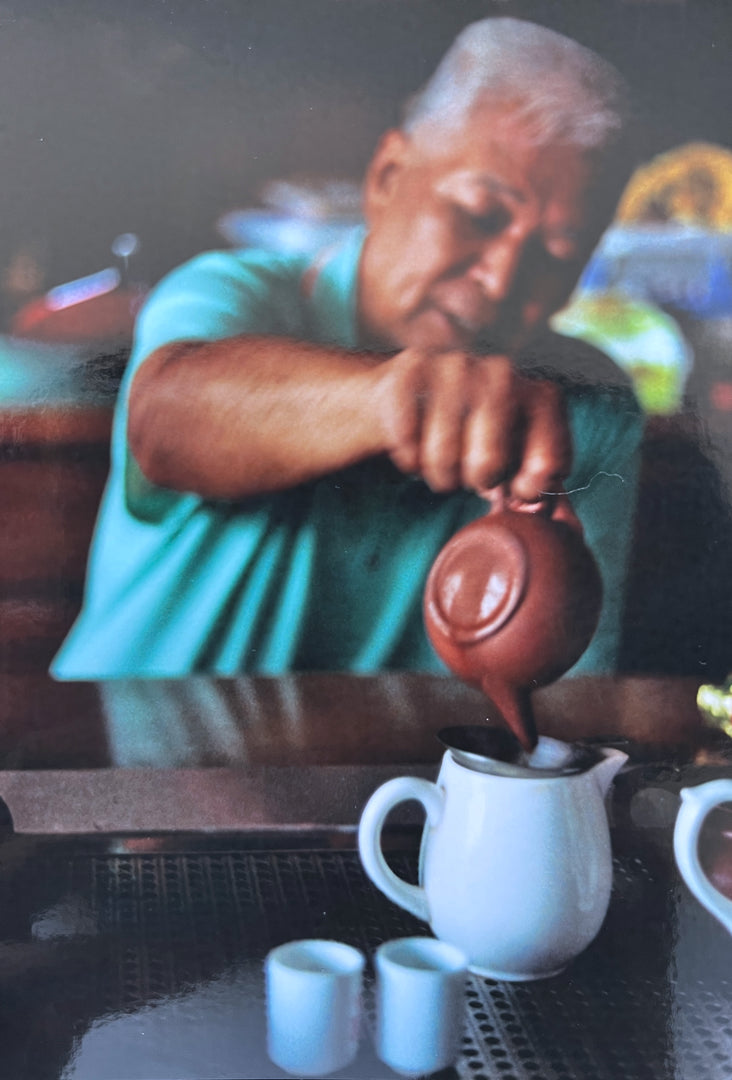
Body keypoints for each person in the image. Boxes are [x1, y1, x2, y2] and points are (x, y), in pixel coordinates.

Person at [52, 17, 642, 684]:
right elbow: (164, 420)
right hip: (124, 762)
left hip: (392, 784)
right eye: (478, 215)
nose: (502, 281)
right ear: (388, 175)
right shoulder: (231, 294)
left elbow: (568, 688)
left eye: (556, 258)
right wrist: (398, 396)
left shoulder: (582, 410)